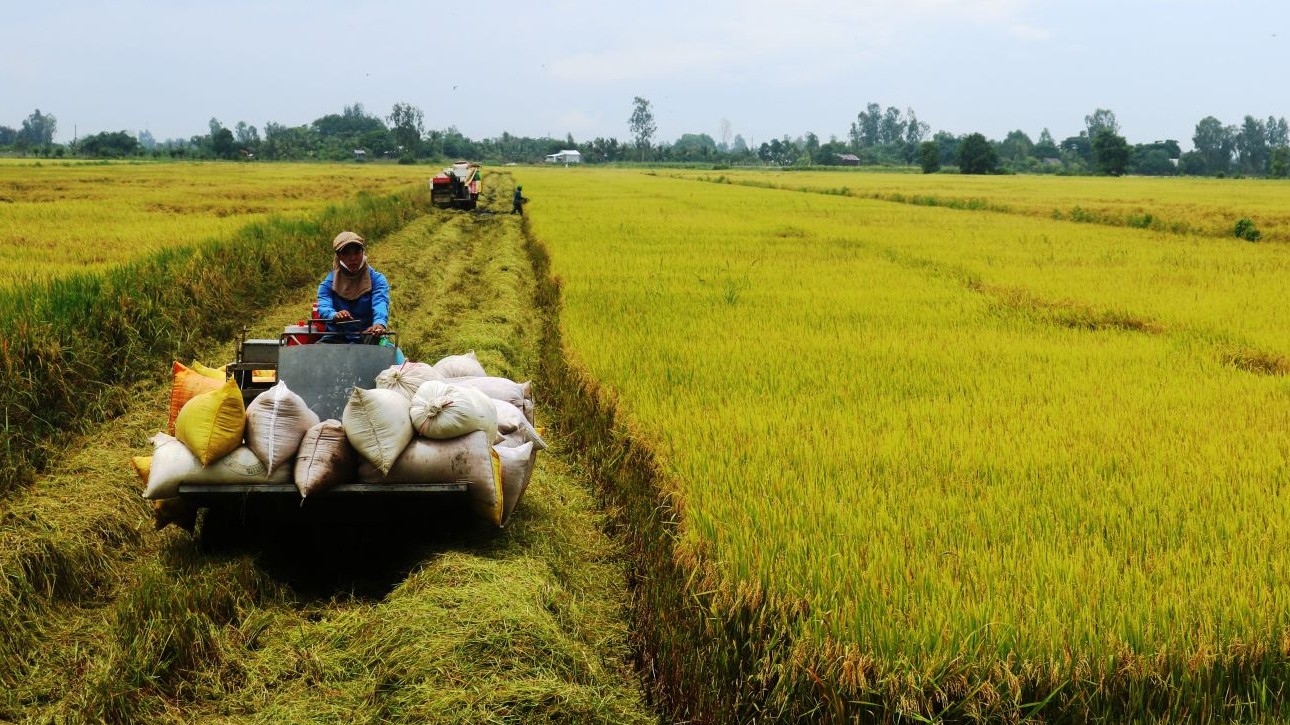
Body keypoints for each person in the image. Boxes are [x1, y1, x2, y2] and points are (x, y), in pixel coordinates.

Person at [317, 231, 390, 343]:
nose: (352, 258)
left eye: (356, 252)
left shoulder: (377, 280)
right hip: (336, 336)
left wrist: (379, 323)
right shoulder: (328, 284)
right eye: (346, 253)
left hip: (368, 335)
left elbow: (380, 303)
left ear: (363, 252)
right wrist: (334, 315)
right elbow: (324, 306)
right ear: (338, 256)